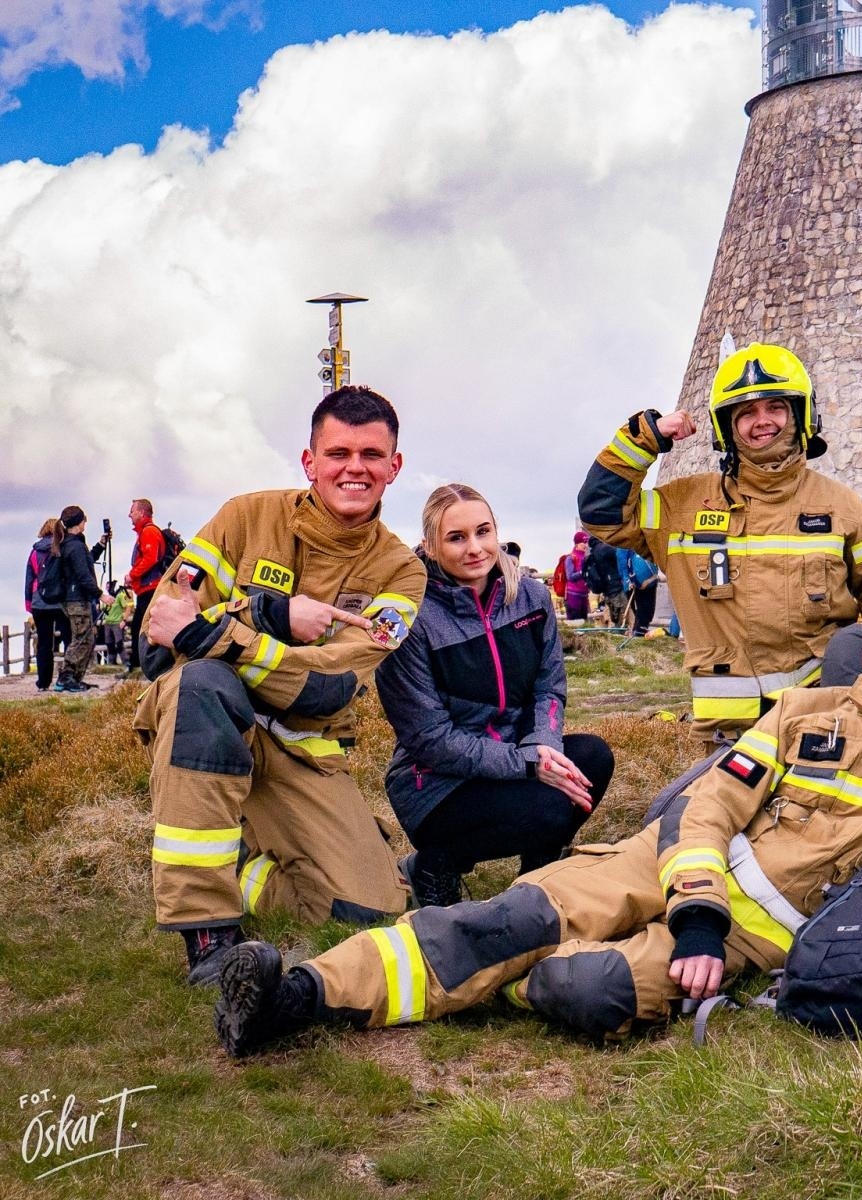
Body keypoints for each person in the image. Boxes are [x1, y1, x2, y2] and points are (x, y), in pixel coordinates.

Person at [213, 581, 862, 1055]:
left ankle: (510, 976)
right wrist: (697, 909)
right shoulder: (805, 709)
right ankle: (300, 998)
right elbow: (713, 804)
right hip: (664, 865)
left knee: (586, 988)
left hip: (759, 939)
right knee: (509, 917)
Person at [132, 385, 426, 985]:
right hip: (208, 722)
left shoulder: (402, 571)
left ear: (394, 467)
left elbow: (330, 690)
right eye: (338, 452)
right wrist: (272, 618)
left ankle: (239, 865)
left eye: (371, 455)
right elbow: (155, 643)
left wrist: (218, 631)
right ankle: (208, 932)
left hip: (304, 746)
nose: (354, 468)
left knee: (369, 909)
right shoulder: (244, 517)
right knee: (204, 685)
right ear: (309, 462)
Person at [578, 342, 862, 747]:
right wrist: (645, 437)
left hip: (822, 724)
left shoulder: (842, 506)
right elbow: (600, 512)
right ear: (726, 427)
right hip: (725, 738)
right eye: (746, 412)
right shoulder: (681, 507)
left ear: (801, 414)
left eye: (775, 407)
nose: (762, 421)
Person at [375, 484, 615, 909]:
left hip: (514, 756)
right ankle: (435, 863)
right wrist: (528, 765)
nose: (475, 549)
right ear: (430, 546)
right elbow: (431, 739)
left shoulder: (532, 596)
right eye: (456, 537)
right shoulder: (411, 617)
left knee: (593, 759)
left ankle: (538, 874)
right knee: (550, 808)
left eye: (483, 531)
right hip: (435, 784)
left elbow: (549, 688)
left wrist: (542, 747)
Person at [50, 506, 106, 693]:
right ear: (79, 523)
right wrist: (101, 594)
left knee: (85, 638)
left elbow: (86, 561)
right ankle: (66, 676)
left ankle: (73, 678)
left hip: (71, 599)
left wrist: (100, 545)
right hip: (77, 600)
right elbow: (83, 575)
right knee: (82, 639)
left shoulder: (69, 544)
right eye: (84, 520)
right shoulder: (75, 547)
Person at [123, 498, 167, 671]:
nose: (129, 515)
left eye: (132, 511)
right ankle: (139, 664)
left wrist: (131, 575)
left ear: (141, 512)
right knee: (141, 626)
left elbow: (150, 558)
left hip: (150, 588)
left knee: (140, 627)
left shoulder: (149, 532)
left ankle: (138, 665)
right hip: (148, 587)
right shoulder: (147, 532)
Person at [24, 518, 67, 692]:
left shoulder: (34, 552)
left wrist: (29, 603)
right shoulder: (62, 548)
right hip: (60, 601)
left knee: (44, 643)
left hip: (39, 601)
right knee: (68, 638)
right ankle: (67, 676)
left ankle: (43, 682)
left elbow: (29, 579)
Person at [583, 537, 626, 629]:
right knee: (619, 616)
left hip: (606, 591)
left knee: (613, 615)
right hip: (616, 588)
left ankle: (615, 632)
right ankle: (617, 634)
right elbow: (621, 554)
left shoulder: (593, 554)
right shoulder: (606, 549)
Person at [617, 546, 661, 635]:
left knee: (640, 613)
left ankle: (638, 632)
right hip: (638, 582)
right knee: (644, 612)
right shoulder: (629, 545)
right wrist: (631, 580)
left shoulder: (622, 545)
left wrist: (628, 580)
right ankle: (639, 634)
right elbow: (623, 562)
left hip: (634, 582)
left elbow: (622, 563)